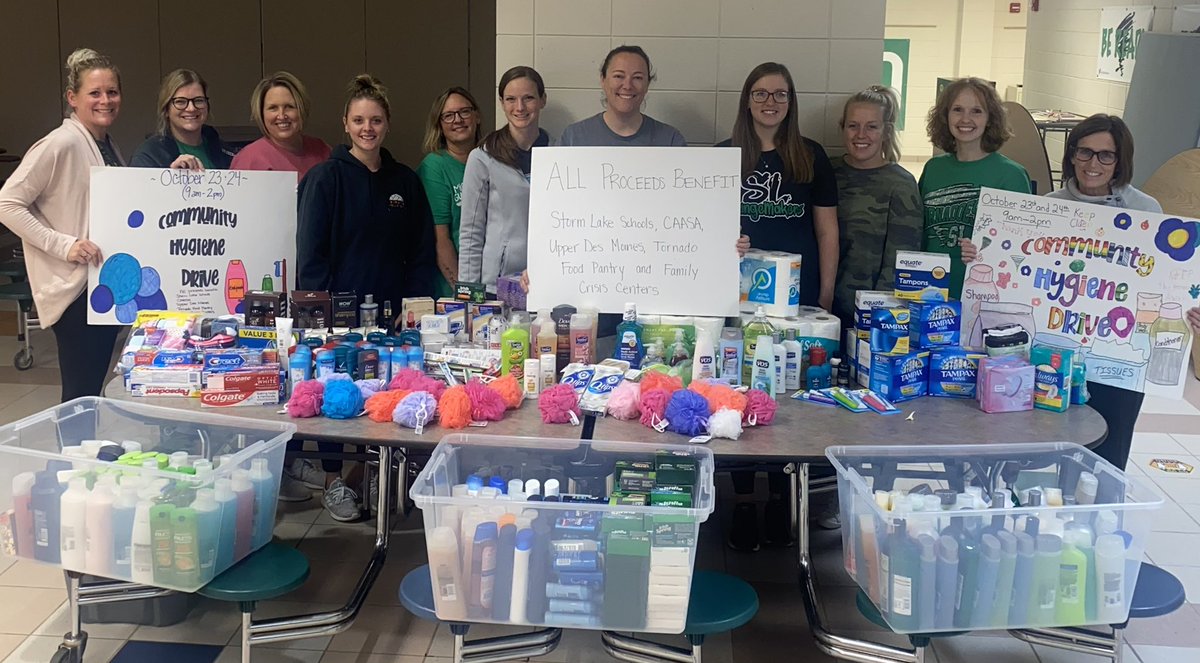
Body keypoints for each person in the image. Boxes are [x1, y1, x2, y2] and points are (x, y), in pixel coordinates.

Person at [960, 114, 1200, 471]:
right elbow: (1015, 267)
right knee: (1043, 443)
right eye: (1085, 152)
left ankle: (1099, 514)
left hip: (1115, 359)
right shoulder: (1047, 206)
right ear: (1071, 155)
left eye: (1107, 155)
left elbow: (1165, 281)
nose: (1093, 163)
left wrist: (1185, 308)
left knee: (1109, 452)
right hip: (1053, 356)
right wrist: (982, 253)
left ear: (1121, 160)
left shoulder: (1146, 211)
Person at [297, 74, 436, 520]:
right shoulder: (325, 179)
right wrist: (324, 318)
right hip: (340, 322)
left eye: (375, 120)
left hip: (392, 322)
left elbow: (420, 252)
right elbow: (311, 254)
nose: (367, 128)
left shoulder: (405, 182)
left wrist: (412, 310)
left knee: (385, 396)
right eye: (359, 120)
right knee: (337, 403)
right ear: (345, 124)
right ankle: (336, 482)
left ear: (388, 124)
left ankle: (377, 474)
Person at [718, 62, 839, 551]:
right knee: (743, 393)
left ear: (791, 102)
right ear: (747, 99)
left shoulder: (810, 157)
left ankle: (781, 501)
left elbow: (827, 230)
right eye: (761, 94)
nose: (771, 102)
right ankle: (746, 501)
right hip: (739, 300)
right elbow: (704, 230)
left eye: (781, 95)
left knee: (790, 399)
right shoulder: (725, 158)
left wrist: (825, 295)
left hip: (797, 300)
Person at [0, 48, 125, 402]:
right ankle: (68, 458)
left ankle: (81, 454)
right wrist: (64, 244)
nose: (105, 100)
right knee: (81, 393)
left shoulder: (106, 144)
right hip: (75, 291)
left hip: (100, 285)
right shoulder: (61, 142)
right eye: (95, 93)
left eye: (112, 92)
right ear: (73, 98)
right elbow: (7, 203)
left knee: (90, 391)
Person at [919, 77, 1030, 299]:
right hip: (930, 291)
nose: (965, 119)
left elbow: (1022, 248)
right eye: (957, 110)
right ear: (945, 116)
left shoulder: (1011, 175)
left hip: (982, 295)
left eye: (977, 111)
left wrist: (985, 251)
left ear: (990, 119)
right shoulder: (933, 168)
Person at [831, 86, 923, 328]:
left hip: (870, 317)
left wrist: (877, 321)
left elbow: (901, 263)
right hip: (820, 310)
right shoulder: (825, 172)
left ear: (886, 131)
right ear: (842, 128)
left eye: (872, 126)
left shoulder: (901, 184)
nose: (861, 134)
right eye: (853, 126)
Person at [458, 66, 550, 294]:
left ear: (542, 100)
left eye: (528, 98)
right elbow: (471, 231)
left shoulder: (557, 153)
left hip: (545, 280)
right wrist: (469, 294)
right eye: (511, 99)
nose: (519, 107)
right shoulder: (483, 157)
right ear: (502, 103)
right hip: (496, 284)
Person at [417, 87, 482, 298]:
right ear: (439, 125)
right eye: (448, 115)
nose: (458, 120)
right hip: (452, 291)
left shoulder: (491, 160)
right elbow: (440, 240)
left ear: (477, 116)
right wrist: (465, 294)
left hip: (491, 283)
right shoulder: (435, 167)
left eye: (464, 111)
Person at [559, 45, 686, 147]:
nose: (627, 86)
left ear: (647, 84)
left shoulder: (670, 141)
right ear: (603, 80)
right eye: (619, 76)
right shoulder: (573, 138)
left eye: (637, 78)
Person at [230, 71, 330, 179]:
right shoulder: (249, 160)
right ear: (261, 113)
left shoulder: (322, 150)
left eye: (289, 107)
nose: (282, 116)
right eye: (273, 108)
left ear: (302, 109)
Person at [131, 69, 234, 170]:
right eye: (180, 102)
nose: (191, 108)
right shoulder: (149, 155)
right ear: (166, 109)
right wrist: (171, 175)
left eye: (198, 101)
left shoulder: (223, 150)